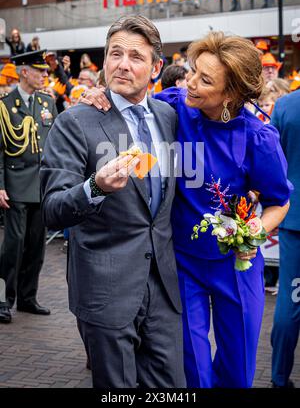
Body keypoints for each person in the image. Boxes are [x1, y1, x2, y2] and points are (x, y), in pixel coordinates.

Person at [83, 31, 291, 388]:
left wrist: (254, 230)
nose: (189, 82)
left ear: (231, 94)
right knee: (191, 368)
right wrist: (99, 93)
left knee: (238, 368)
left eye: (204, 80)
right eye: (193, 71)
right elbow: (130, 102)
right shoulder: (176, 105)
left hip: (236, 264)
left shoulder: (259, 138)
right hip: (181, 263)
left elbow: (279, 201)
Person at [40, 15, 185, 389]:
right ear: (104, 60)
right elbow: (52, 209)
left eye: (136, 57)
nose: (123, 64)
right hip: (105, 291)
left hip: (163, 290)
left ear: (155, 68)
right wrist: (95, 187)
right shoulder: (75, 121)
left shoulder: (169, 116)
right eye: (115, 53)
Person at [0, 50, 57, 324]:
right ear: (24, 72)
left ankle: (27, 297)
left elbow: (56, 144)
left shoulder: (46, 101)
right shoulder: (5, 104)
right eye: (40, 71)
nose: (46, 75)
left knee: (36, 246)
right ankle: (3, 299)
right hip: (14, 185)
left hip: (41, 185)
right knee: (13, 246)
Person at [270, 89, 300, 388]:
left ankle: (279, 376)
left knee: (290, 299)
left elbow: (274, 161)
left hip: (294, 218)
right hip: (293, 221)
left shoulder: (287, 104)